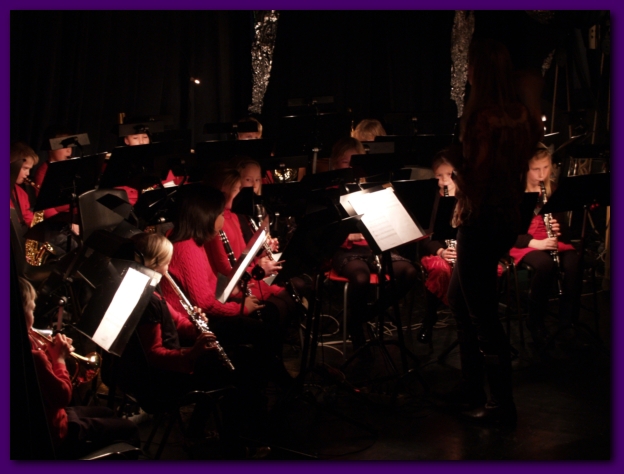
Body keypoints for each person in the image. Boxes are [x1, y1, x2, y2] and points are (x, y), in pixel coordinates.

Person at [446, 38, 542, 426]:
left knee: (483, 314)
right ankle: (472, 386)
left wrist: (456, 169)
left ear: (478, 71)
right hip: (507, 217)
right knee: (460, 298)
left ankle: (501, 403)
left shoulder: (481, 117)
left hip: (481, 219)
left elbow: (478, 179)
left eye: (470, 66)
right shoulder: (521, 115)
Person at [159, 184, 292, 387]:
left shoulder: (189, 240)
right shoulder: (186, 248)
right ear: (206, 217)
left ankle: (268, 379)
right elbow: (205, 303)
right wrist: (241, 309)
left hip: (199, 315)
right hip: (191, 326)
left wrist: (237, 293)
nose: (223, 219)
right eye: (220, 214)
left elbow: (210, 285)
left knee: (268, 317)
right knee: (264, 331)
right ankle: (264, 385)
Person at [19, 276, 139, 459]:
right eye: (32, 310)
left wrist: (50, 354)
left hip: (49, 417)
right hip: (55, 432)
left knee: (107, 412)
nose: (34, 317)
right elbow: (62, 396)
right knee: (130, 428)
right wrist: (58, 359)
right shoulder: (34, 357)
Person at [509, 144, 581, 347]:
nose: (542, 174)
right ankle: (535, 320)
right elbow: (509, 233)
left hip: (549, 240)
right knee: (545, 265)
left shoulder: (553, 190)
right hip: (524, 242)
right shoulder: (515, 194)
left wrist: (559, 229)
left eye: (546, 168)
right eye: (536, 169)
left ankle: (567, 321)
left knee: (573, 263)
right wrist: (536, 243)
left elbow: (565, 230)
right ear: (525, 169)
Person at [416, 151, 458, 344]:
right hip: (436, 251)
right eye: (439, 176)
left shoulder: (467, 198)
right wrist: (441, 251)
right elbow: (424, 236)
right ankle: (429, 319)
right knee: (441, 269)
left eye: (449, 174)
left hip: (463, 249)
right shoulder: (429, 200)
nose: (445, 180)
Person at [10, 141, 39, 232]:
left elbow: (28, 218)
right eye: (25, 168)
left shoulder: (22, 193)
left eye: (29, 169)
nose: (28, 174)